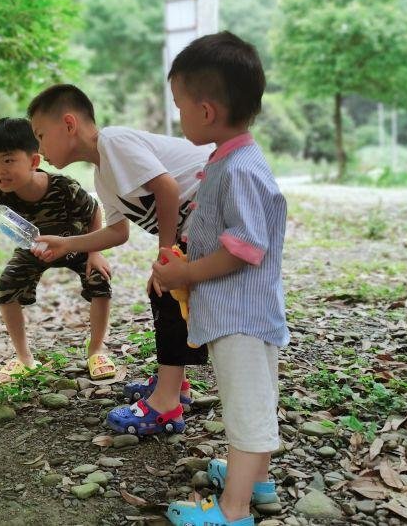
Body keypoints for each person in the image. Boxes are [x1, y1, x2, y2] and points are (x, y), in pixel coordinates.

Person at [152, 31, 288, 526]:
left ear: (206, 111)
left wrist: (186, 271)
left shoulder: (240, 169)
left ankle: (233, 512)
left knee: (247, 411)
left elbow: (246, 248)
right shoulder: (227, 160)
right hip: (243, 312)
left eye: (180, 106)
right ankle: (257, 482)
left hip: (242, 318)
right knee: (256, 400)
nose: (179, 116)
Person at [27, 85, 213, 436]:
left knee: (167, 290)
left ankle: (166, 404)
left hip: (214, 208)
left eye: (40, 135)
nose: (39, 149)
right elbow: (117, 232)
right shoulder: (103, 174)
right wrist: (66, 243)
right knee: (166, 292)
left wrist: (165, 253)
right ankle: (175, 385)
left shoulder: (113, 142)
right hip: (197, 223)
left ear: (69, 124)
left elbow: (168, 188)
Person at [0, 117, 116, 383]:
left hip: (75, 243)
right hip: (34, 248)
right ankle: (24, 358)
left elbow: (95, 211)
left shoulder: (64, 187)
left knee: (99, 279)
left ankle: (96, 350)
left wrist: (95, 253)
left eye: (8, 160)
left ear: (34, 161)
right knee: (7, 286)